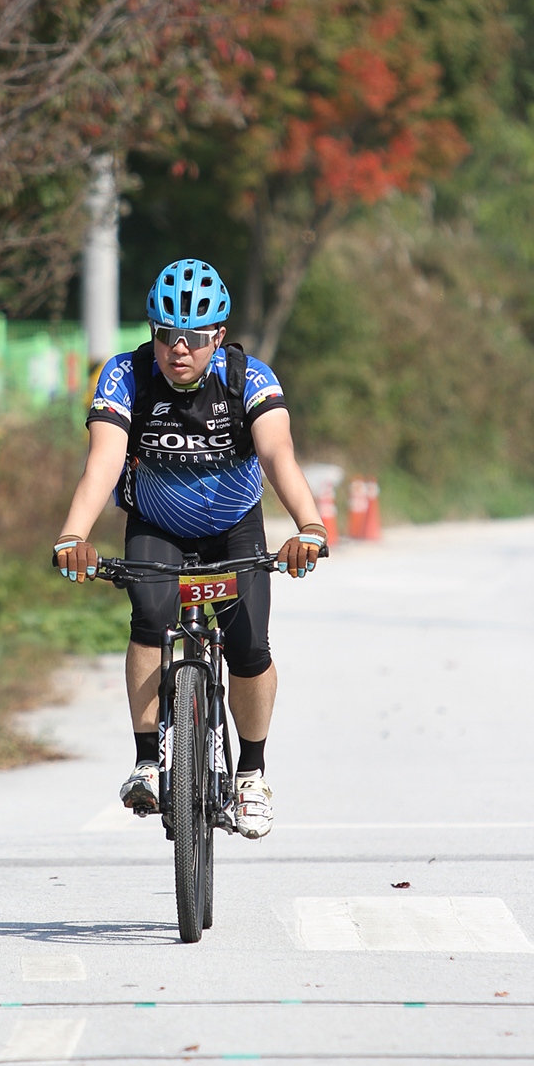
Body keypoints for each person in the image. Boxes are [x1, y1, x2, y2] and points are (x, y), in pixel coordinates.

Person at [53, 258, 327, 839]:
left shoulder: (249, 379)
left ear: (218, 337)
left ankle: (251, 776)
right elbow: (103, 463)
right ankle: (147, 761)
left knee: (250, 647)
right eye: (166, 335)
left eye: (196, 338)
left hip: (234, 528)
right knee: (150, 620)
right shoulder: (125, 376)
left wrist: (309, 526)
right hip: (157, 526)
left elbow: (278, 455)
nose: (179, 349)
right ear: (152, 332)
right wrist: (74, 535)